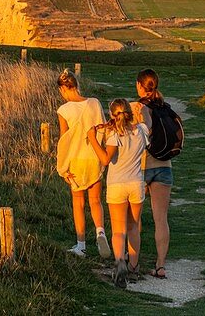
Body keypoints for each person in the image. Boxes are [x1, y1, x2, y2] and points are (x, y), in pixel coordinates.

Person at [87, 99, 149, 289]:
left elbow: (105, 160)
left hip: (117, 185)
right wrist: (143, 112)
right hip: (136, 183)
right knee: (133, 227)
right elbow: (148, 125)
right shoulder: (141, 131)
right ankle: (134, 266)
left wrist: (92, 138)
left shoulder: (114, 136)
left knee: (118, 230)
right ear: (130, 113)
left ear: (113, 115)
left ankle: (120, 261)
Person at [133, 68, 182, 280]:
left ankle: (133, 259)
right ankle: (160, 265)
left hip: (144, 166)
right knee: (161, 218)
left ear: (139, 85)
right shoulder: (165, 106)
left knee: (135, 217)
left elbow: (146, 129)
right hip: (165, 166)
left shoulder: (140, 107)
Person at [56, 69, 111, 258]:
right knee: (95, 200)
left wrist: (62, 168)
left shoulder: (64, 110)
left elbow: (64, 140)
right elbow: (103, 129)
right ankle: (100, 232)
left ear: (64, 88)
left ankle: (81, 245)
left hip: (75, 160)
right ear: (76, 85)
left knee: (78, 202)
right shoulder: (94, 103)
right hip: (94, 157)